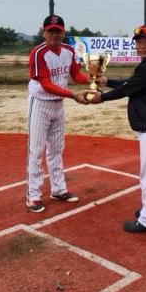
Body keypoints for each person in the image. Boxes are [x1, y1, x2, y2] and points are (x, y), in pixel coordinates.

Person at [89, 25, 146, 233]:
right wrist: (108, 81)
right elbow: (132, 83)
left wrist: (102, 97)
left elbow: (128, 88)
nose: (143, 46)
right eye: (139, 42)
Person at [25, 14, 89, 213]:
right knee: (36, 151)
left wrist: (93, 78)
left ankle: (58, 189)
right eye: (50, 31)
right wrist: (72, 95)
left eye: (57, 31)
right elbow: (46, 84)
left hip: (58, 104)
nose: (54, 35)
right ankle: (33, 196)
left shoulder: (68, 50)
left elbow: (76, 75)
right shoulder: (38, 53)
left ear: (63, 32)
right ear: (43, 32)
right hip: (40, 103)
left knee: (56, 149)